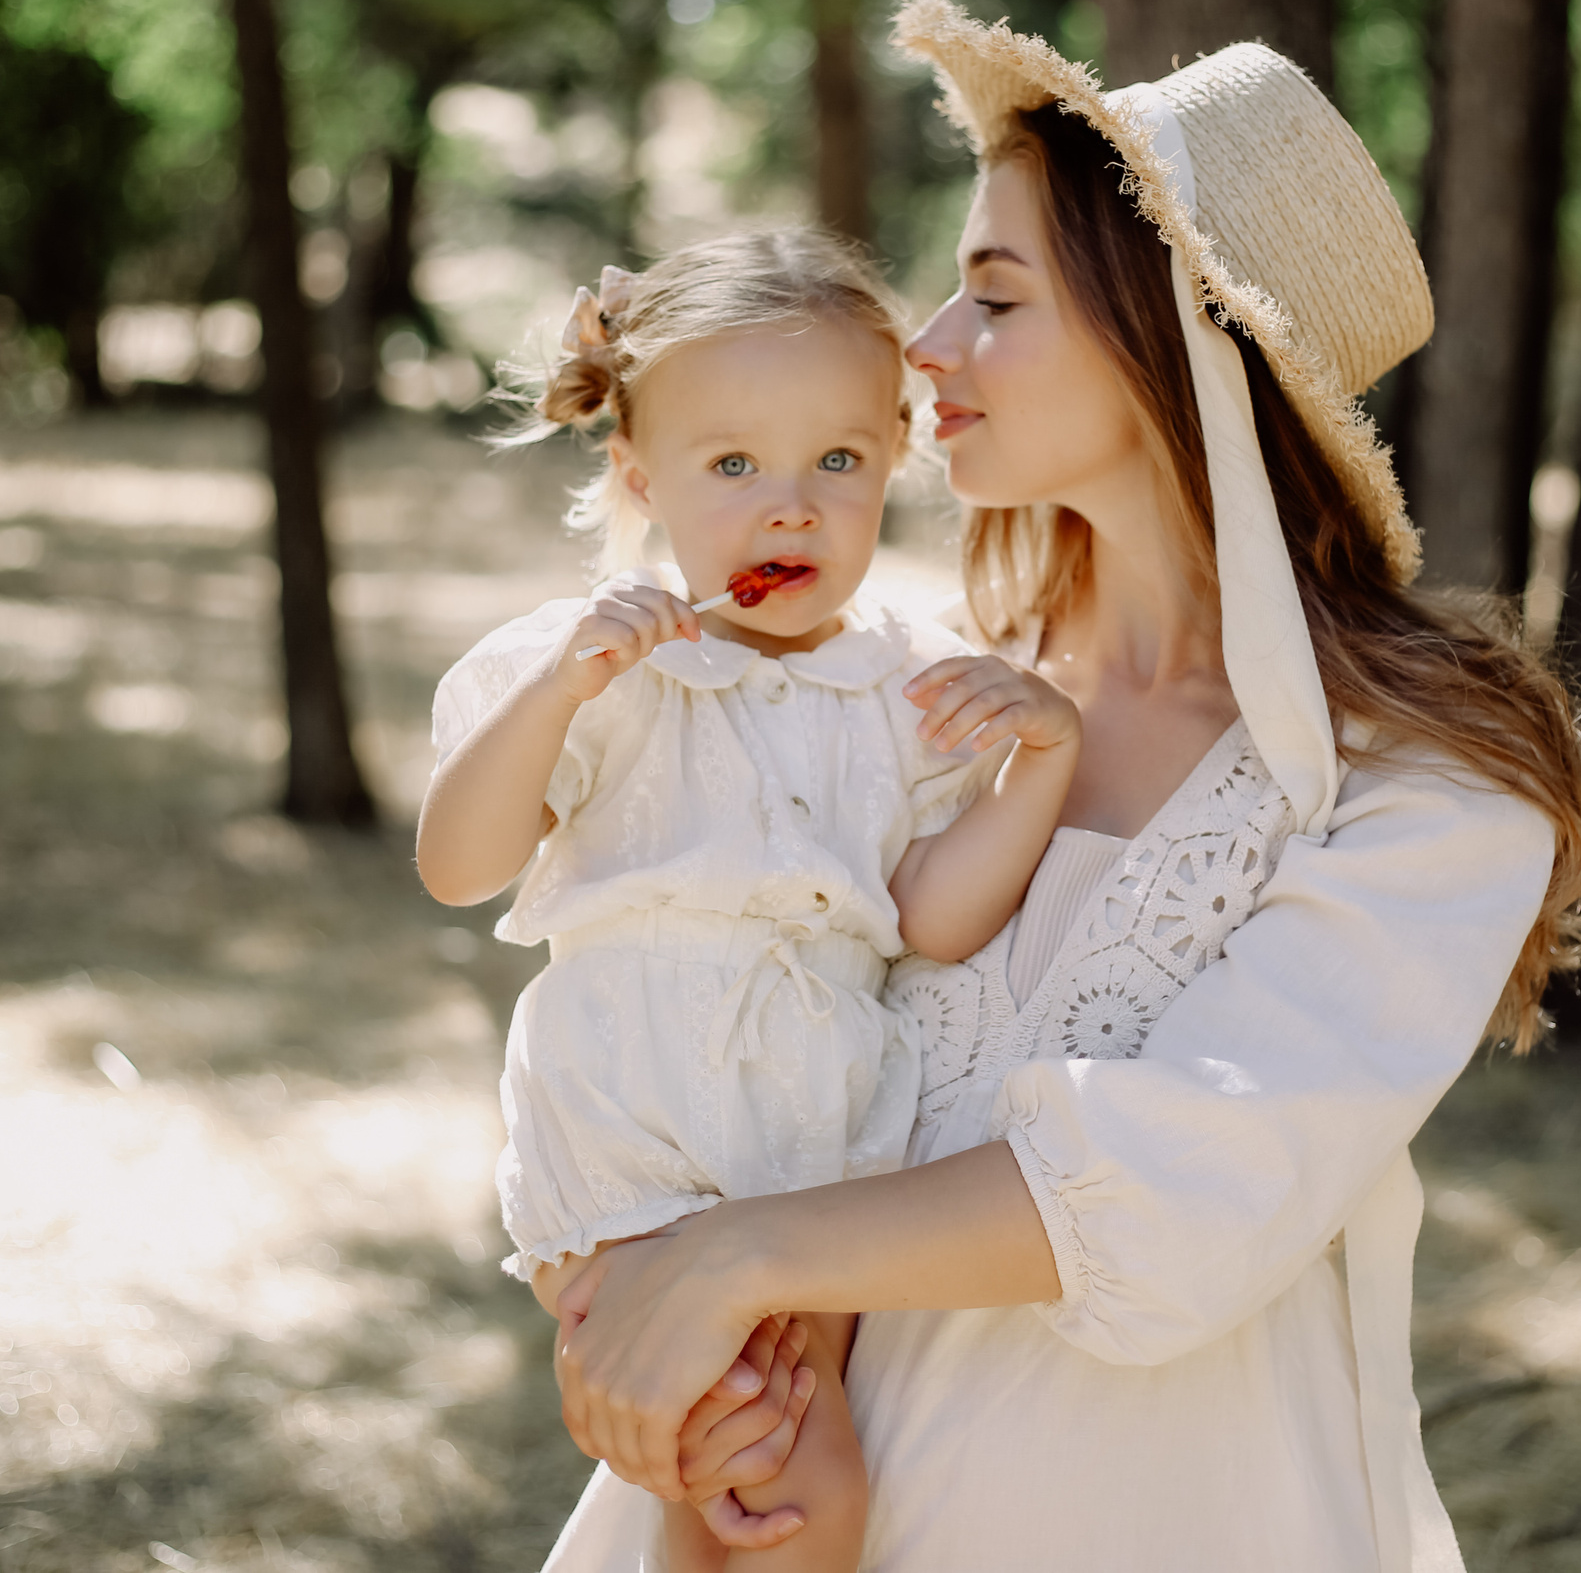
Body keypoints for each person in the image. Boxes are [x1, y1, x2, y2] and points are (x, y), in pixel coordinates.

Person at [536, 0, 1581, 1572]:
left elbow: (1199, 1177)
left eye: (995, 295)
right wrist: (681, 1361)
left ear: (1175, 335)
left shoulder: (1429, 785)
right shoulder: (917, 689)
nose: (926, 348)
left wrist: (725, 1261)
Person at [415, 227, 1085, 1573]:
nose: (792, 508)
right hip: (638, 1147)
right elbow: (458, 864)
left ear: (893, 461)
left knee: (732, 1504)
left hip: (816, 1163)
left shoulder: (909, 683)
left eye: (835, 462)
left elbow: (933, 920)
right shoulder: (607, 667)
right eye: (734, 466)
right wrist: (562, 691)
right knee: (795, 1494)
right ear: (638, 474)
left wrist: (1041, 764)